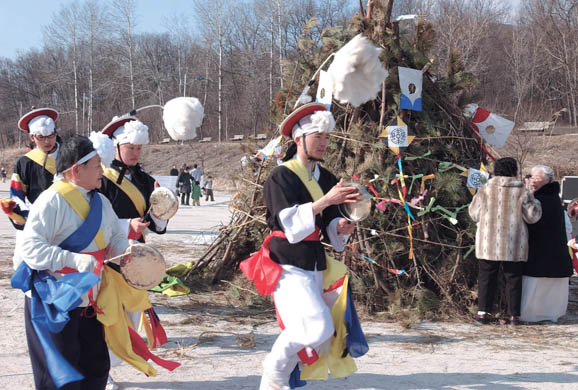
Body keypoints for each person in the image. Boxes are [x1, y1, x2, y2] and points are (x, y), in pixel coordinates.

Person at [240, 103, 367, 390]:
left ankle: (277, 380)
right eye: (317, 137)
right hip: (284, 260)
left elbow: (333, 224)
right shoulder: (281, 176)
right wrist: (325, 201)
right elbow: (289, 225)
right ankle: (273, 371)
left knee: (319, 331)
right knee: (317, 325)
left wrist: (342, 226)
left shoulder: (328, 178)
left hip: (314, 261)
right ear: (299, 139)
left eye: (326, 137)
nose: (323, 143)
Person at [13, 135, 128, 390]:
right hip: (54, 300)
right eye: (97, 165)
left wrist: (127, 251)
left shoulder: (101, 201)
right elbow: (30, 248)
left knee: (95, 369)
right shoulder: (51, 201)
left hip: (90, 298)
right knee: (60, 378)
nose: (102, 170)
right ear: (76, 170)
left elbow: (115, 238)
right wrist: (73, 260)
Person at [98, 116, 173, 387]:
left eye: (140, 148)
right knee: (108, 316)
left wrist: (163, 209)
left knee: (129, 317)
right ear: (117, 147)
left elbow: (157, 225)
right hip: (108, 256)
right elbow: (95, 219)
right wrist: (125, 225)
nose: (136, 153)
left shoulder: (147, 179)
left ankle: (108, 365)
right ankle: (101, 371)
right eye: (131, 147)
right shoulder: (101, 178)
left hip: (138, 258)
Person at [468, 157, 542, 325]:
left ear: (495, 171)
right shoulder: (522, 190)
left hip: (488, 241)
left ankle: (482, 313)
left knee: (486, 277)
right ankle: (513, 316)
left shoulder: (485, 188)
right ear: (514, 171)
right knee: (514, 278)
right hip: (514, 242)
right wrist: (536, 201)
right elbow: (532, 217)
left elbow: (474, 214)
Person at [521, 165, 573, 322]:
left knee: (539, 286)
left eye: (537, 178)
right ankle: (547, 314)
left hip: (542, 253)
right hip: (552, 254)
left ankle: (534, 315)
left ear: (548, 180)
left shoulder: (542, 199)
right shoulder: (550, 197)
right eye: (532, 178)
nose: (533, 181)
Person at [3, 108, 60, 230]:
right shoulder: (24, 163)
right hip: (40, 221)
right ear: (31, 137)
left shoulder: (71, 154)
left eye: (51, 135)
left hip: (72, 219)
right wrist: (22, 216)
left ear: (56, 132)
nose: (47, 141)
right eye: (41, 137)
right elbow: (17, 196)